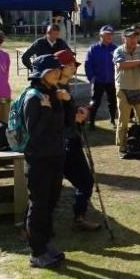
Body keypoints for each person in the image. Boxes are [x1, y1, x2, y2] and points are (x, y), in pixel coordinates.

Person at [20, 54, 67, 268]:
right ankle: (36, 252)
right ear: (40, 74)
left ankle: (46, 243)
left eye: (58, 71)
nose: (57, 74)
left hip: (55, 155)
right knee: (38, 205)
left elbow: (62, 125)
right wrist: (47, 110)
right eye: (52, 71)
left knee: (50, 202)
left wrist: (65, 103)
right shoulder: (33, 97)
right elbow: (35, 133)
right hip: (38, 158)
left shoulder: (52, 93)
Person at [53, 49, 102, 231]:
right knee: (81, 182)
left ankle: (79, 217)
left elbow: (68, 114)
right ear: (60, 67)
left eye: (74, 64)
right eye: (70, 64)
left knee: (81, 182)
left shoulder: (65, 87)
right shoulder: (56, 89)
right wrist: (76, 116)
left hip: (70, 139)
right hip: (64, 143)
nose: (74, 67)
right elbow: (57, 117)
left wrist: (78, 112)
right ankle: (31, 227)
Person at [114, 28, 140, 158]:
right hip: (123, 89)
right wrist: (139, 62)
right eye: (130, 38)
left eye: (135, 37)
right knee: (123, 120)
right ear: (124, 38)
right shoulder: (119, 50)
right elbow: (120, 65)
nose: (133, 40)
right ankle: (122, 147)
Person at [84, 25, 118, 129]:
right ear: (101, 35)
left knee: (113, 102)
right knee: (95, 102)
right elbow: (88, 64)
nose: (109, 37)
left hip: (111, 81)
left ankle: (112, 120)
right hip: (98, 81)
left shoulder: (115, 49)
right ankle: (91, 122)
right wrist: (91, 78)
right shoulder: (93, 49)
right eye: (106, 34)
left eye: (110, 35)